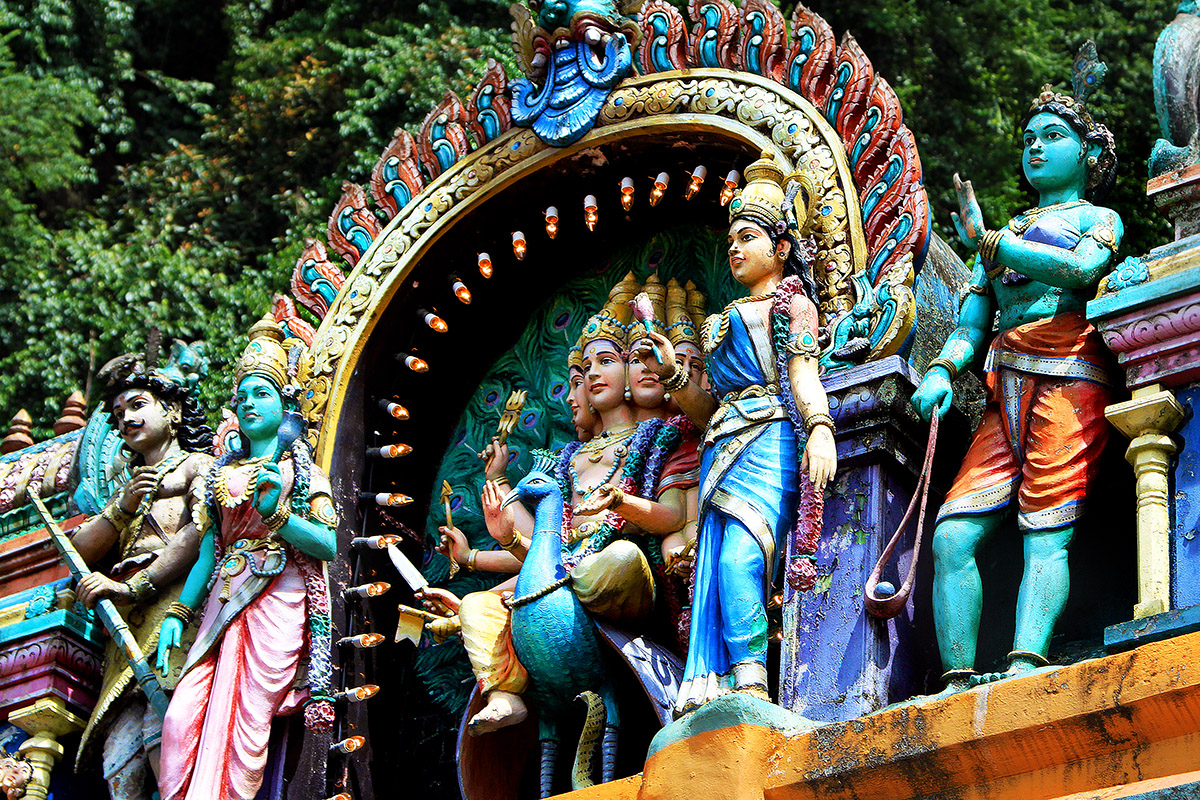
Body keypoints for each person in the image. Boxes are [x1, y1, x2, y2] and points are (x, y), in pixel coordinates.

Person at [911, 44, 1122, 693]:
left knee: (1045, 528)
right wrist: (944, 369)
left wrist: (995, 243)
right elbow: (974, 318)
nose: (1036, 147)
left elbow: (1084, 271)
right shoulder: (1001, 233)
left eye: (1053, 136)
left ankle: (1027, 660)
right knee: (952, 536)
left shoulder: (1097, 218)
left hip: (1068, 373)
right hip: (1005, 387)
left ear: (1090, 154)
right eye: (1029, 137)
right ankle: (958, 675)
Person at [634, 151, 837, 711]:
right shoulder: (720, 318)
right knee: (714, 565)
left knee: (740, 560)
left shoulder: (792, 305)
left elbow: (801, 371)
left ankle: (751, 680)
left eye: (749, 237)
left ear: (782, 248)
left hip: (770, 434)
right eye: (732, 240)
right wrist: (672, 370)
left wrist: (819, 426)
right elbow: (706, 409)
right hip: (720, 444)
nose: (735, 248)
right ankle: (725, 681)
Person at [154, 316, 338, 800]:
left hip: (276, 596)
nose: (249, 404)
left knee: (246, 726)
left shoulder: (300, 470)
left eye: (261, 393)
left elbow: (327, 544)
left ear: (285, 405)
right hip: (220, 600)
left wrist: (278, 517)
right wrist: (177, 613)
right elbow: (208, 554)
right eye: (242, 397)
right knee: (180, 720)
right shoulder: (221, 475)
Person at [70, 346, 213, 800]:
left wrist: (133, 585)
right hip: (121, 626)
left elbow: (197, 534)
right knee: (120, 746)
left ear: (172, 411)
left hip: (173, 610)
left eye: (137, 405)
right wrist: (124, 504)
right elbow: (77, 552)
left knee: (164, 719)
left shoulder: (198, 465)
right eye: (117, 413)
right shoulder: (125, 489)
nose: (126, 418)